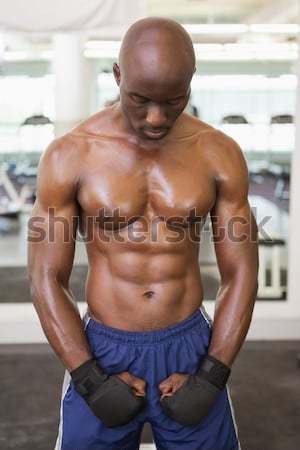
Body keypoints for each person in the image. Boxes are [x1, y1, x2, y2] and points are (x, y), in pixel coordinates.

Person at [27, 17, 258, 450]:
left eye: (173, 101)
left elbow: (241, 273)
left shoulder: (219, 154)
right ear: (117, 76)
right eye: (139, 99)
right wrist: (89, 377)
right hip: (102, 348)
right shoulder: (70, 155)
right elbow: (45, 277)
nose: (156, 118)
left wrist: (212, 374)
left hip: (191, 345)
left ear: (191, 82)